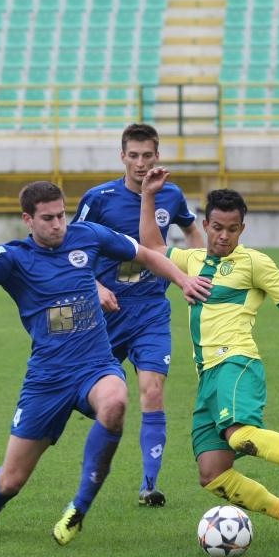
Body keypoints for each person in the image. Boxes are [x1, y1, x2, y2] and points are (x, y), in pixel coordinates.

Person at [0, 180, 211, 546]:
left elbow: (147, 254)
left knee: (116, 401)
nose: (58, 224)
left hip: (95, 366)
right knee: (11, 480)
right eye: (48, 218)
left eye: (61, 215)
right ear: (28, 219)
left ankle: (78, 508)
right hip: (47, 379)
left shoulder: (87, 235)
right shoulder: (14, 258)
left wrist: (182, 280)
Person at [139, 171, 279, 542]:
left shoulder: (254, 263)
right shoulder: (193, 260)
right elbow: (151, 246)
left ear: (242, 229)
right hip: (208, 376)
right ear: (206, 225)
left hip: (238, 362)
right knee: (213, 474)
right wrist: (148, 196)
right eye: (217, 227)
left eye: (232, 229)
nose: (224, 236)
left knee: (239, 434)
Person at [72, 123, 204, 507]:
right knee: (89, 396)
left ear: (157, 155)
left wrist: (196, 269)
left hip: (150, 310)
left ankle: (149, 484)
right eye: (134, 155)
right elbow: (73, 252)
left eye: (148, 155)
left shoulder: (172, 194)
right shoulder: (99, 198)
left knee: (153, 390)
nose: (141, 163)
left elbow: (192, 230)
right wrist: (96, 287)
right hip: (105, 314)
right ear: (122, 156)